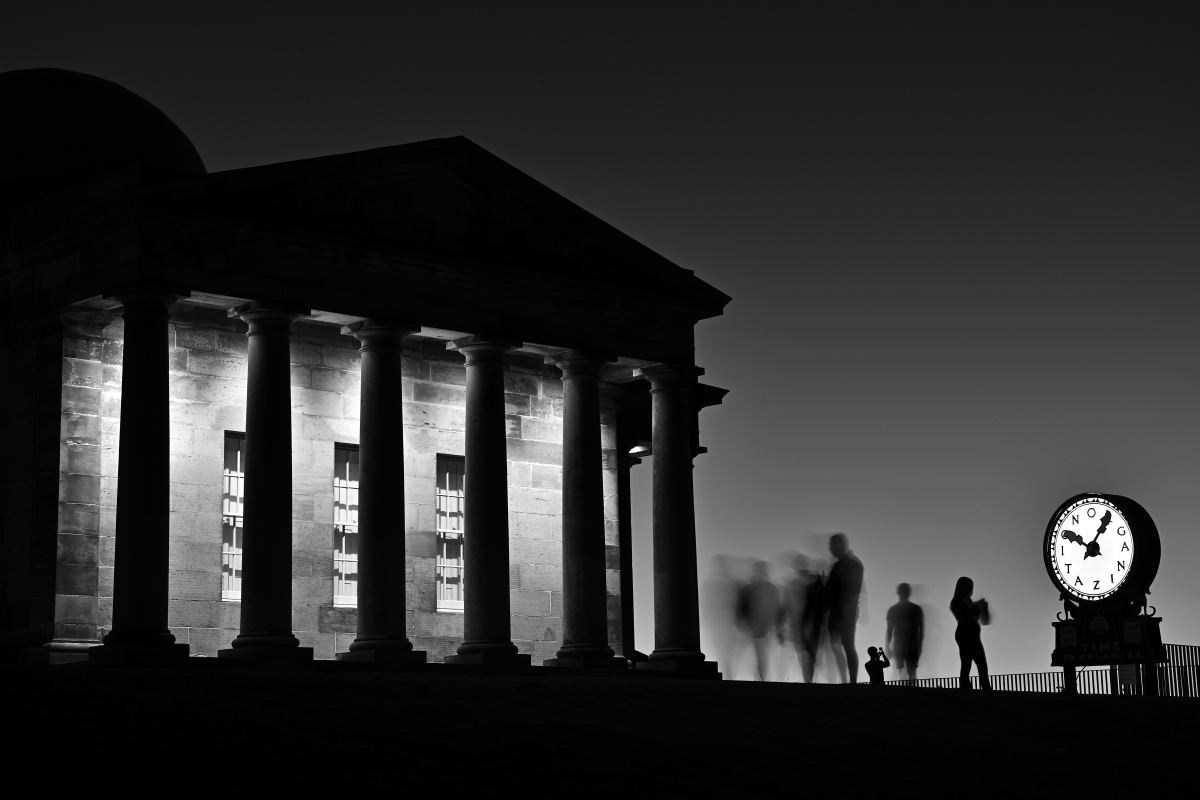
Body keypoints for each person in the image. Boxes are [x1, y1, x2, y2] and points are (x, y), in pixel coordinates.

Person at [825, 533, 864, 684]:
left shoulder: (851, 565)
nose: (830, 549)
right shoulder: (839, 565)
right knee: (838, 645)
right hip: (838, 611)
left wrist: (841, 609)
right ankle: (846, 679)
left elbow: (853, 590)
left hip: (844, 612)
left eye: (832, 545)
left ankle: (851, 680)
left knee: (847, 645)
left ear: (840, 545)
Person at [782, 554, 825, 683]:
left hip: (809, 624)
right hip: (803, 625)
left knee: (808, 656)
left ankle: (809, 682)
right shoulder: (793, 585)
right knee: (807, 656)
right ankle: (809, 682)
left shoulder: (811, 581)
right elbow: (787, 607)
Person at [735, 561, 781, 681]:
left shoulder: (763, 588)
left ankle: (761, 679)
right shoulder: (769, 588)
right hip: (757, 627)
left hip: (761, 627)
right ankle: (761, 679)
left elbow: (776, 608)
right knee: (761, 656)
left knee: (761, 656)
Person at [950, 576, 992, 690]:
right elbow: (964, 617)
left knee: (981, 664)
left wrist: (984, 608)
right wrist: (976, 607)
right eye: (968, 586)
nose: (970, 589)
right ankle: (966, 688)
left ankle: (985, 688)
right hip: (964, 633)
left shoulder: (972, 603)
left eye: (971, 587)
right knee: (967, 663)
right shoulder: (956, 602)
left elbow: (985, 620)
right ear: (961, 587)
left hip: (974, 634)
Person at [885, 583, 924, 683]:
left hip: (900, 642)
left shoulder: (893, 609)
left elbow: (889, 630)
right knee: (911, 671)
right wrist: (920, 645)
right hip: (912, 642)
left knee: (902, 671)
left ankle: (904, 693)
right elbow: (921, 629)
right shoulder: (916, 609)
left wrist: (887, 646)